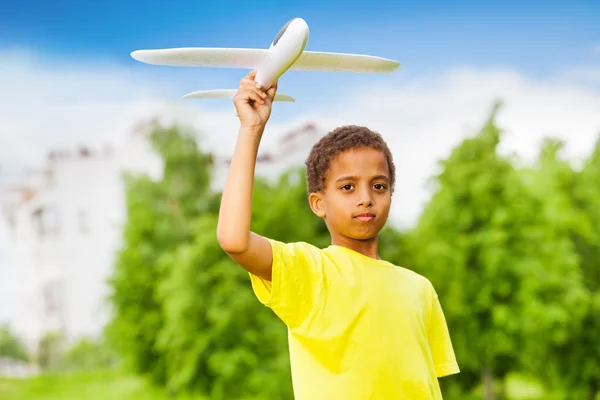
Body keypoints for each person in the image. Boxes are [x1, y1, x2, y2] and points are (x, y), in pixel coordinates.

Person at [217, 70, 460, 400]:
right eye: (348, 187)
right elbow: (235, 240)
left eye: (379, 186)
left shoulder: (420, 288)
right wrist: (251, 128)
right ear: (318, 203)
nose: (365, 198)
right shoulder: (310, 270)